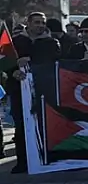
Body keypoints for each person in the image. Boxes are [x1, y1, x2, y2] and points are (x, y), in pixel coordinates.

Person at [6, 13, 62, 173]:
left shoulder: (51, 43)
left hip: (43, 90)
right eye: (36, 22)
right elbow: (5, 62)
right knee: (21, 126)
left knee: (45, 124)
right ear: (28, 23)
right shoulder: (16, 42)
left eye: (42, 23)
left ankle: (46, 158)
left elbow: (56, 64)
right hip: (19, 91)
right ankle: (22, 161)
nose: (40, 26)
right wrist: (14, 70)